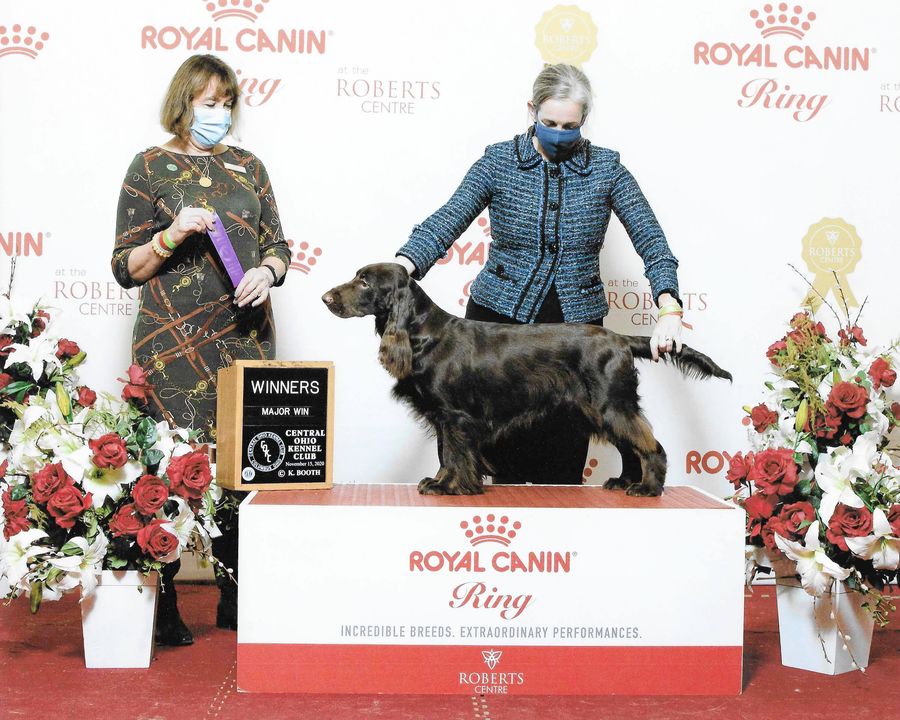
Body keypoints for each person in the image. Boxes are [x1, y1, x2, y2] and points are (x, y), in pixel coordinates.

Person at [395, 63, 684, 488]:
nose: (560, 132)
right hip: (495, 329)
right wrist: (402, 268)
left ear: (584, 120)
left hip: (571, 337)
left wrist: (669, 307)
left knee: (560, 464)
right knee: (475, 447)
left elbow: (652, 240)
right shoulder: (498, 162)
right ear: (531, 110)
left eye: (570, 125)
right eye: (549, 122)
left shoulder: (608, 170)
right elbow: (446, 220)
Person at [112, 54, 290, 645]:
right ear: (183, 103)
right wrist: (171, 232)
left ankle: (235, 593)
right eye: (207, 103)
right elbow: (125, 268)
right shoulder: (149, 167)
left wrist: (268, 271)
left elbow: (278, 245)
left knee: (243, 468)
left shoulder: (250, 166)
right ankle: (162, 601)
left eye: (227, 103)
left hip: (244, 337)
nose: (218, 114)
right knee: (166, 471)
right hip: (170, 345)